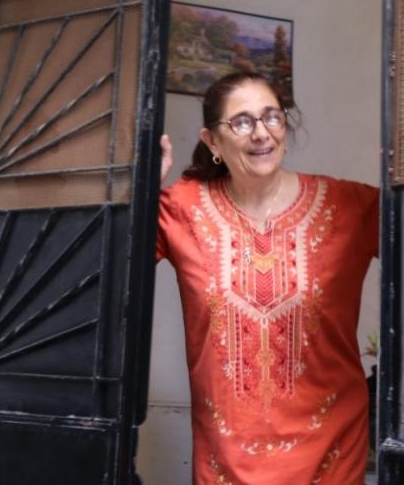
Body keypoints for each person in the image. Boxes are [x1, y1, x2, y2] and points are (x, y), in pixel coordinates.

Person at [156, 71, 379, 485]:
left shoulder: (350, 206)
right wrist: (136, 192)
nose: (261, 133)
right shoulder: (180, 208)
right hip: (225, 464)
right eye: (241, 122)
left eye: (271, 117)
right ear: (212, 142)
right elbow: (105, 271)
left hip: (331, 456)